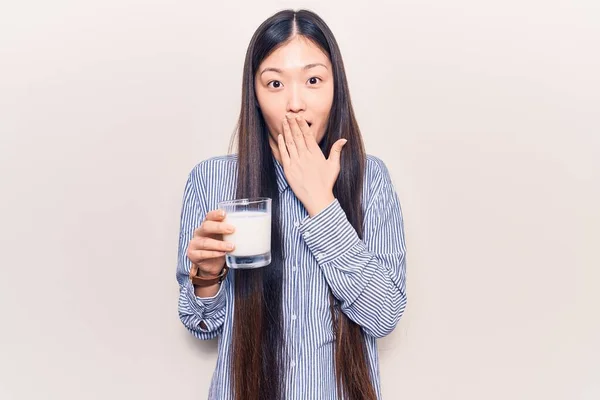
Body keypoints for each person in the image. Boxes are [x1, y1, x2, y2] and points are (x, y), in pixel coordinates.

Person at [176, 9, 407, 400]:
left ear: (336, 88)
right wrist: (207, 277)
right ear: (255, 92)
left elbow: (384, 315)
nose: (295, 103)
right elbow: (202, 325)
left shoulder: (371, 179)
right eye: (275, 83)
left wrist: (321, 202)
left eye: (313, 80)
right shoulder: (211, 180)